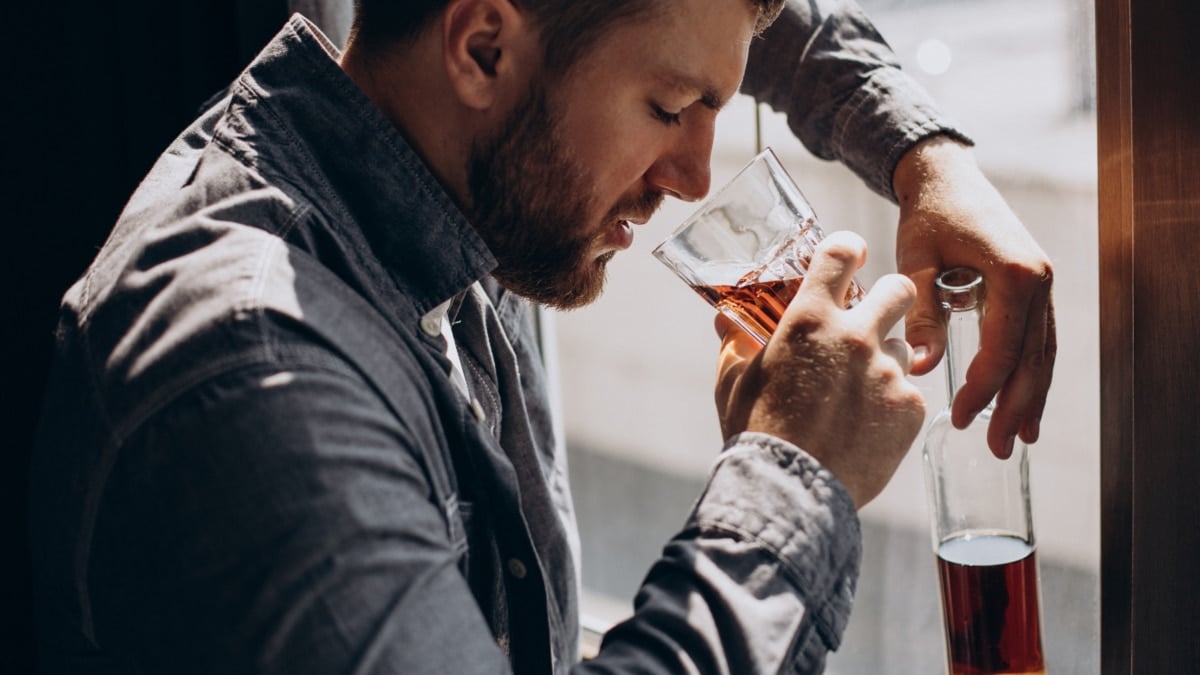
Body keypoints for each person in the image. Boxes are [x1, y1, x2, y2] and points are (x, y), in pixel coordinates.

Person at [28, 2, 1053, 675]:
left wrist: (924, 155)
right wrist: (791, 476)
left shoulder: (454, 158)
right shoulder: (256, 378)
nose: (695, 176)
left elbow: (667, 19)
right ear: (481, 48)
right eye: (668, 108)